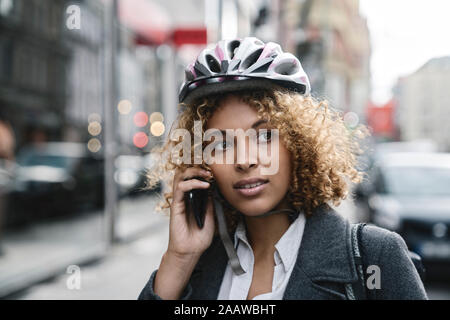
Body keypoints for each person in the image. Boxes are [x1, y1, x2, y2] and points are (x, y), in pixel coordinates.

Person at [138, 37, 427, 300]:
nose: (245, 160)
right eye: (222, 143)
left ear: (299, 143)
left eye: (264, 136)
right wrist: (179, 257)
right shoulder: (197, 264)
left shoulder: (376, 257)